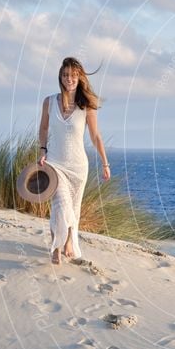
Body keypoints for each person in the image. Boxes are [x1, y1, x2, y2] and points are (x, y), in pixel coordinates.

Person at [37, 57, 110, 265]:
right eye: (66, 75)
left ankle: (69, 241)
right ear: (60, 77)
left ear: (79, 79)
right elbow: (43, 129)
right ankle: (56, 247)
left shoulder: (86, 106)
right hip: (55, 163)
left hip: (78, 167)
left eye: (74, 76)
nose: (69, 79)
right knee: (60, 203)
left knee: (74, 209)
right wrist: (42, 150)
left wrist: (105, 163)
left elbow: (96, 136)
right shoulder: (49, 102)